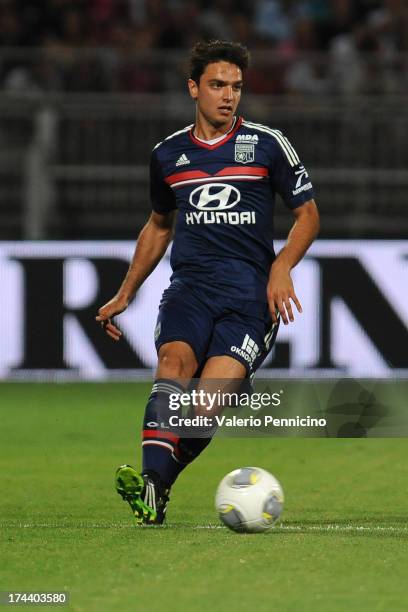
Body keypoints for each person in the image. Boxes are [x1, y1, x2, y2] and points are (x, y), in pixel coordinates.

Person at [96, 40, 320, 525]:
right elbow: (159, 225)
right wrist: (125, 292)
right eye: (218, 85)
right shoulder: (168, 155)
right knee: (172, 364)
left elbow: (308, 216)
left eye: (236, 87)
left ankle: (159, 485)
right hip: (190, 291)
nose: (229, 96)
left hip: (249, 300)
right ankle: (152, 488)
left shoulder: (267, 144)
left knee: (204, 406)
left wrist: (281, 268)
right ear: (194, 88)